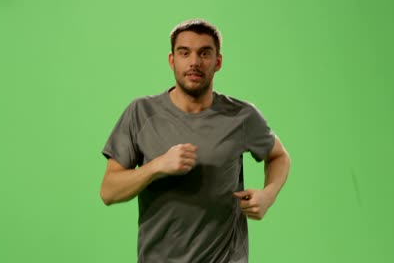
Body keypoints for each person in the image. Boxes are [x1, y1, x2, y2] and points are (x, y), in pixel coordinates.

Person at [100, 19, 291, 263]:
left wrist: (269, 195)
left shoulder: (241, 116)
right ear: (172, 60)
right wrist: (157, 166)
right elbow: (108, 191)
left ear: (218, 62)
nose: (194, 62)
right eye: (184, 53)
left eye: (204, 53)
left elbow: (279, 156)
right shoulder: (141, 113)